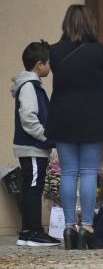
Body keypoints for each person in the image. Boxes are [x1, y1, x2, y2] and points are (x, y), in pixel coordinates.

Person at [46, 5, 103, 250]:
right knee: (88, 172)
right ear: (90, 24)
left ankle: (68, 227)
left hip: (63, 117)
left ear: (66, 24)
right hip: (93, 118)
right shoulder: (98, 52)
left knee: (68, 173)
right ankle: (86, 226)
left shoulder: (54, 52)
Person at [10, 41, 60, 247]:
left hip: (34, 147)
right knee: (33, 187)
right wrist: (45, 137)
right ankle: (33, 232)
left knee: (32, 186)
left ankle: (27, 232)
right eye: (49, 63)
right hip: (32, 147)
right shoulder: (29, 86)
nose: (50, 67)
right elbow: (29, 118)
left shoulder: (32, 85)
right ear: (40, 64)